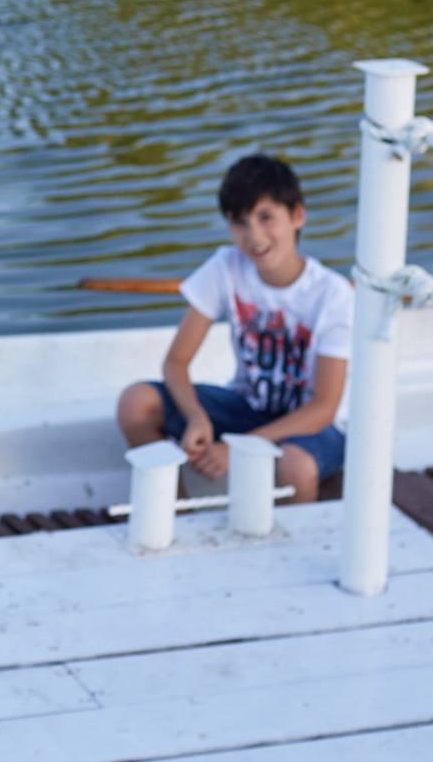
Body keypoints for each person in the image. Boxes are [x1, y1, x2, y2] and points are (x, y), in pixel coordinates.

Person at [118, 155, 351, 502]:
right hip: (247, 407)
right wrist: (196, 417)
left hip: (313, 427)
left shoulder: (333, 295)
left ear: (297, 216)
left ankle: (296, 533)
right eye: (240, 222)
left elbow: (324, 407)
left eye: (266, 217)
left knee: (294, 466)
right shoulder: (226, 266)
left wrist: (239, 447)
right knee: (136, 403)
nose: (254, 236)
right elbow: (176, 362)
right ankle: (179, 514)